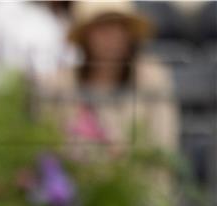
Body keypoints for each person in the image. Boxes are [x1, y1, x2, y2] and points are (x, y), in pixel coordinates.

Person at [38, 1, 179, 156]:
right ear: (85, 36)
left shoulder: (153, 78)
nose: (112, 37)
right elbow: (48, 150)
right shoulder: (59, 85)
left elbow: (164, 148)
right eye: (102, 28)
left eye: (119, 27)